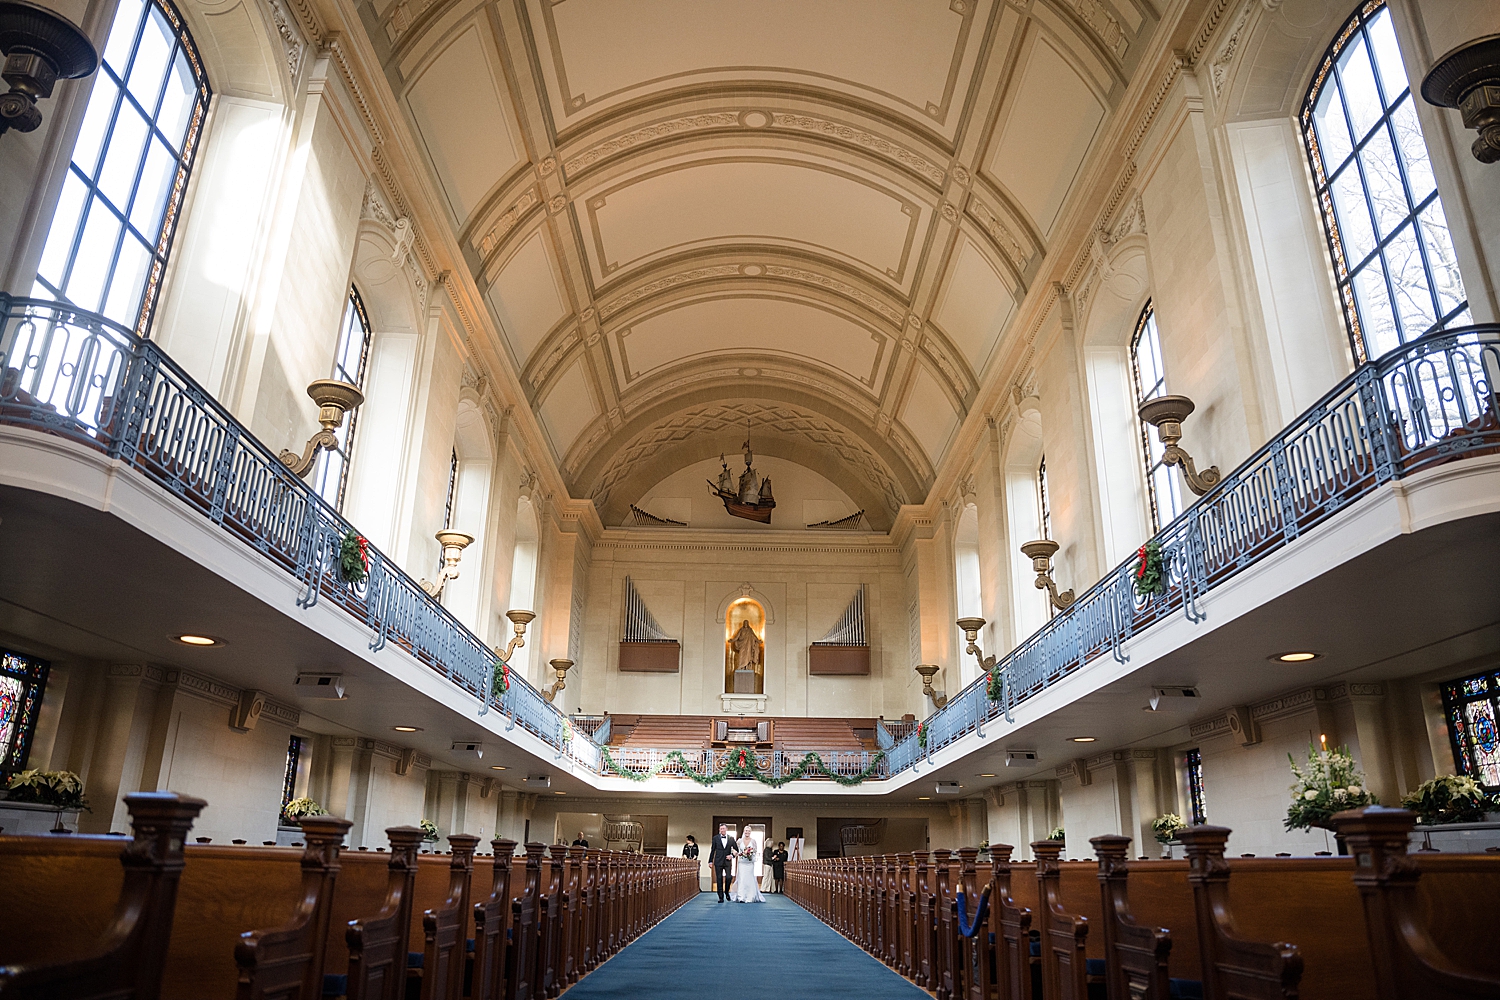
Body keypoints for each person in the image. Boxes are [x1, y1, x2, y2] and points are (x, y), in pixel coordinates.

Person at [708, 824, 738, 902]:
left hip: (727, 861)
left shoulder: (731, 838)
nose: (722, 830)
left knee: (729, 877)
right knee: (719, 878)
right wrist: (710, 861)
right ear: (719, 830)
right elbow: (713, 850)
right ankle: (720, 897)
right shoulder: (715, 838)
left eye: (724, 828)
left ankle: (727, 892)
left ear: (726, 829)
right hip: (718, 861)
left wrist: (732, 856)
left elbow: (736, 850)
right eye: (721, 829)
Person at [730, 836, 765, 903]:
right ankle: (741, 896)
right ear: (744, 831)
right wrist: (736, 853)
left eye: (748, 831)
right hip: (742, 863)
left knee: (749, 878)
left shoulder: (753, 841)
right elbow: (734, 849)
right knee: (742, 879)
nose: (747, 832)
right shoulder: (740, 841)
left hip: (749, 863)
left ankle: (750, 896)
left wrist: (750, 852)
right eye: (746, 831)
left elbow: (755, 850)